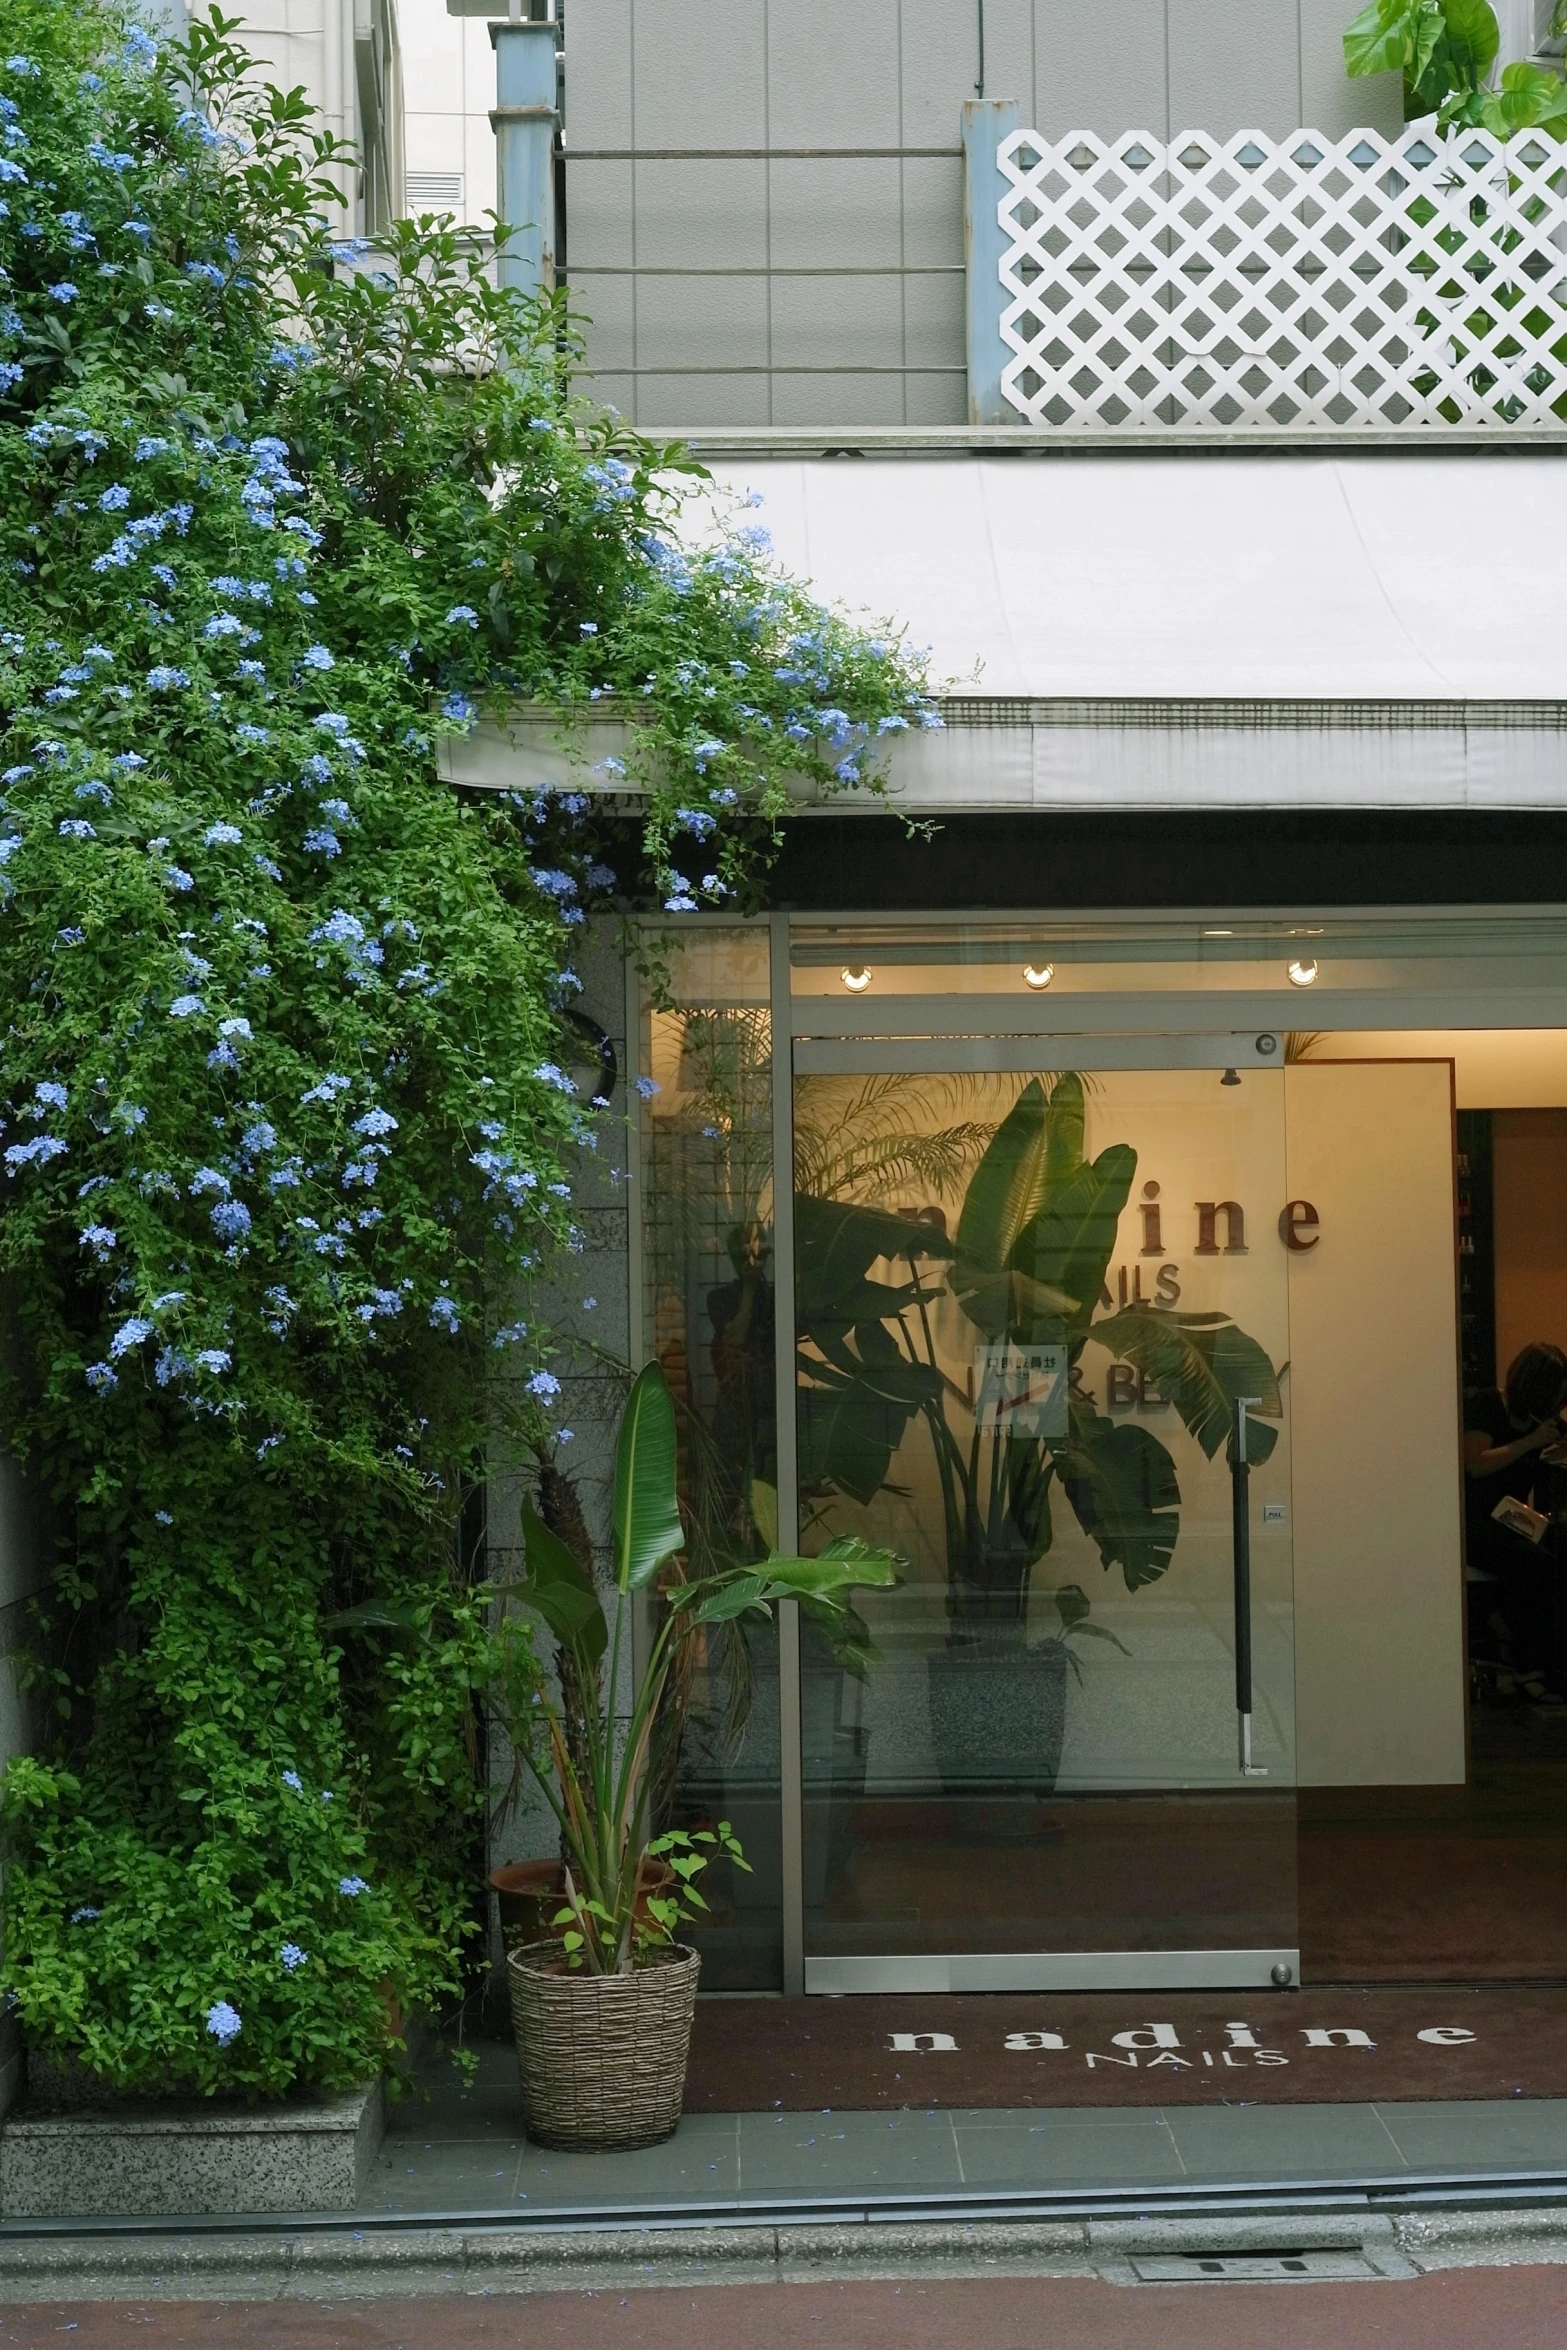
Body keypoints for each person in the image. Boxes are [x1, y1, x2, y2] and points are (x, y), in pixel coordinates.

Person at [1464, 1342, 1567, 1702]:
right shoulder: (1488, 1405)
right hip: (1476, 1521)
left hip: (1512, 1519)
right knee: (1536, 1563)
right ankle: (1530, 1670)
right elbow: (1475, 1464)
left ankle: (1553, 1665)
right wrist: (1531, 1442)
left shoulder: (1541, 1422)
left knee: (1558, 1552)